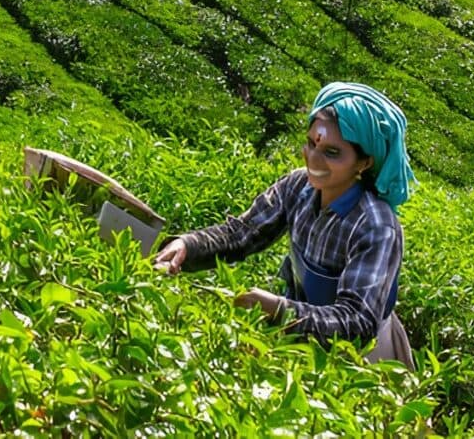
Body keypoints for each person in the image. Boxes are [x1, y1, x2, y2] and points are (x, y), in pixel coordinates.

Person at [154, 82, 417, 368]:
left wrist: (279, 310)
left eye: (331, 152)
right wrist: (186, 246)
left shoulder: (376, 226)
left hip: (359, 360)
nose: (314, 159)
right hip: (295, 331)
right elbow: (242, 234)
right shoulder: (298, 186)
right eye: (312, 143)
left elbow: (356, 322)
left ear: (364, 163)